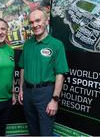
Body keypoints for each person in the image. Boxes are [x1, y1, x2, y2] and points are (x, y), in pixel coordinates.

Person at [18, 7, 69, 136]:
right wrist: (21, 89)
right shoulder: (28, 44)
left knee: (45, 132)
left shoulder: (56, 45)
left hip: (46, 94)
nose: (35, 25)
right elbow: (23, 67)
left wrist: (54, 100)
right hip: (28, 93)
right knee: (33, 130)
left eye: (38, 20)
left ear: (46, 21)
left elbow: (60, 74)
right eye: (31, 22)